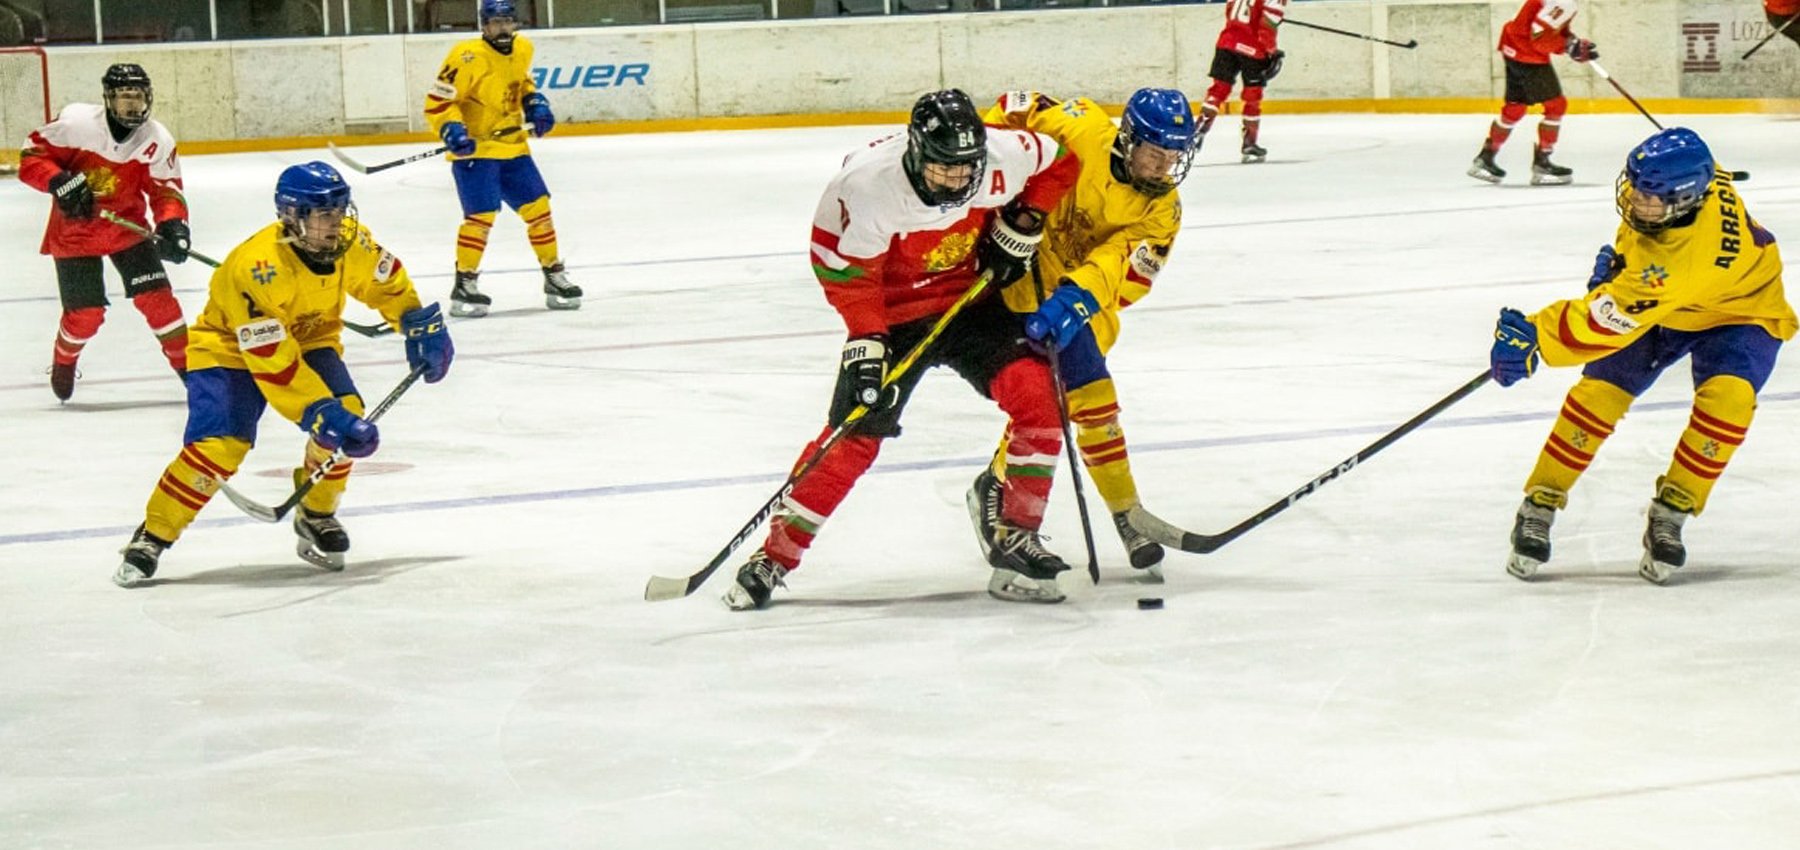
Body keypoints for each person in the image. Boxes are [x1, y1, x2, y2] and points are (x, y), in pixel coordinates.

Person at [723, 88, 1081, 610]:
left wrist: (1022, 221)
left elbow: (1062, 163)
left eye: (967, 171)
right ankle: (773, 556)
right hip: (893, 317)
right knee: (853, 435)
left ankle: (1015, 536)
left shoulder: (1002, 155)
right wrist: (867, 337)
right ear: (916, 154)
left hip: (971, 298)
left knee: (1042, 400)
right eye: (944, 172)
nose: (959, 184)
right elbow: (841, 267)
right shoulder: (867, 186)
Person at [113, 162, 454, 587]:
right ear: (292, 216)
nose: (337, 225)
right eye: (324, 215)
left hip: (309, 341)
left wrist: (417, 323)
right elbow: (274, 361)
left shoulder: (353, 244)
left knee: (349, 416)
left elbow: (387, 283)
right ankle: (153, 536)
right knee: (220, 447)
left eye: (341, 212)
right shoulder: (257, 268)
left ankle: (315, 513)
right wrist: (319, 412)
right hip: (228, 351)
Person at [1489, 128, 1791, 584]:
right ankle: (1540, 501)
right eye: (1635, 188)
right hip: (1672, 299)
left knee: (1728, 402)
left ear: (1687, 198)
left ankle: (1673, 510)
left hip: (1741, 311)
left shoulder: (1678, 265)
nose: (1635, 202)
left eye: (1650, 198)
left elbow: (1599, 324)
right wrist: (1622, 269)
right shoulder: (1705, 185)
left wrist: (1535, 338)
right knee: (1598, 395)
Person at [976, 88, 1197, 573]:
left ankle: (1123, 511)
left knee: (1087, 400)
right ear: (1129, 139)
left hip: (1078, 300)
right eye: (1156, 153)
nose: (1164, 167)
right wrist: (1002, 186)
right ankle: (1003, 490)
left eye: (1174, 156)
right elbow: (1016, 104)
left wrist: (1077, 298)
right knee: (1048, 402)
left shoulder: (1163, 210)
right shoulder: (1080, 128)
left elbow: (1129, 275)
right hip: (1014, 270)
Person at [18, 63, 191, 401]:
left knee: (160, 303)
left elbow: (166, 189)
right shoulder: (77, 124)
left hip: (127, 228)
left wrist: (173, 224)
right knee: (86, 316)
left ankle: (193, 374)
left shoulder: (156, 139)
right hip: (76, 230)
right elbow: (31, 157)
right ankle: (64, 360)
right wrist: (58, 180)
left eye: (138, 97)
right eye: (125, 96)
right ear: (109, 99)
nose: (132, 105)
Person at [423, 0, 580, 318]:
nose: (503, 28)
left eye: (508, 21)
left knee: (540, 211)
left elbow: (522, 82)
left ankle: (553, 275)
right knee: (480, 219)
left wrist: (535, 102)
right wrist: (452, 128)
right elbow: (439, 101)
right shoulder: (466, 57)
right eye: (496, 22)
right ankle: (465, 283)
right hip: (476, 152)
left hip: (513, 146)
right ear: (483, 26)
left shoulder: (523, 48)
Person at [1468, 0, 1597, 185]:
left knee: (1516, 108)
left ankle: (1485, 158)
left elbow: (1547, 27)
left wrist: (1571, 43)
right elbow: (1541, 39)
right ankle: (1542, 163)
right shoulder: (1564, 2)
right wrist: (1568, 47)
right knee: (1556, 105)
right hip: (1527, 52)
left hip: (1513, 45)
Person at [1197, 0, 1288, 164]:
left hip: (1226, 43)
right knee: (1252, 95)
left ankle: (1198, 130)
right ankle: (1249, 142)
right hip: (1252, 49)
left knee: (1218, 90)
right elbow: (1267, 23)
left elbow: (1232, 12)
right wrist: (1271, 50)